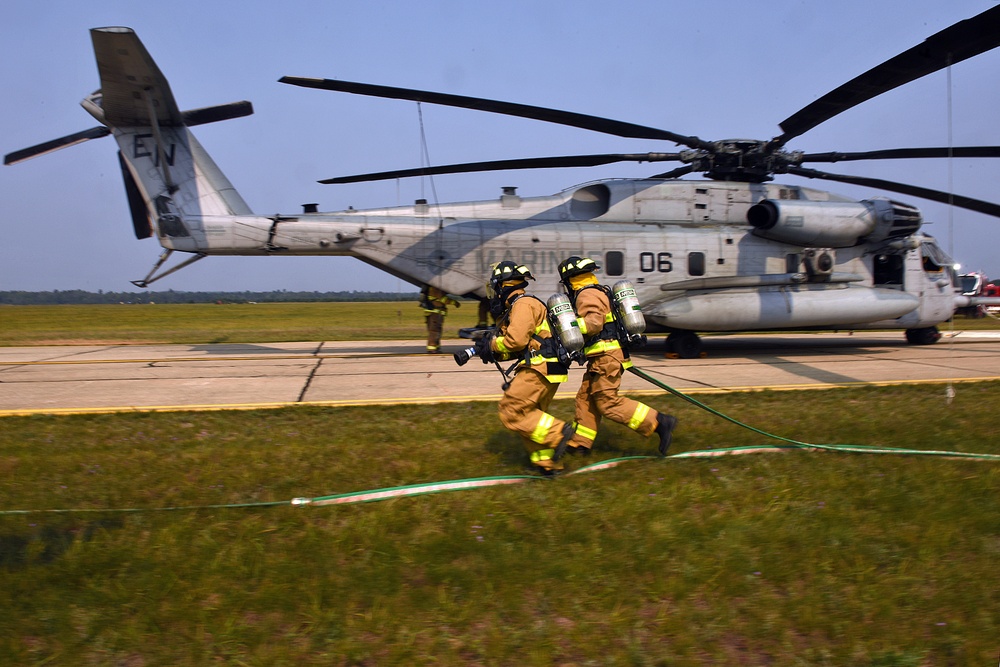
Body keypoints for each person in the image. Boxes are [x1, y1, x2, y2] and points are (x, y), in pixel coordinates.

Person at [556, 256, 677, 456]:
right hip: (602, 356)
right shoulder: (596, 290)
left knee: (607, 402)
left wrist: (567, 327)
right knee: (586, 398)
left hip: (606, 356)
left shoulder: (586, 294)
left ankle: (658, 422)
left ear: (570, 279)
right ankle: (580, 444)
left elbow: (594, 322)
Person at [477, 261, 575, 476]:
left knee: (512, 411)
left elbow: (516, 341)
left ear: (504, 285)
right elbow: (519, 346)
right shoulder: (520, 306)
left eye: (496, 287)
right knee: (530, 417)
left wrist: (492, 344)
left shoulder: (523, 304)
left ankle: (558, 433)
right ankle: (546, 464)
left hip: (539, 368)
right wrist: (492, 352)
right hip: (546, 367)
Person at [420, 285, 459, 354]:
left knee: (436, 330)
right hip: (435, 313)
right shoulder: (436, 288)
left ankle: (436, 346)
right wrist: (454, 303)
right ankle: (432, 347)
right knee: (434, 330)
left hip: (432, 312)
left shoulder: (430, 288)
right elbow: (443, 299)